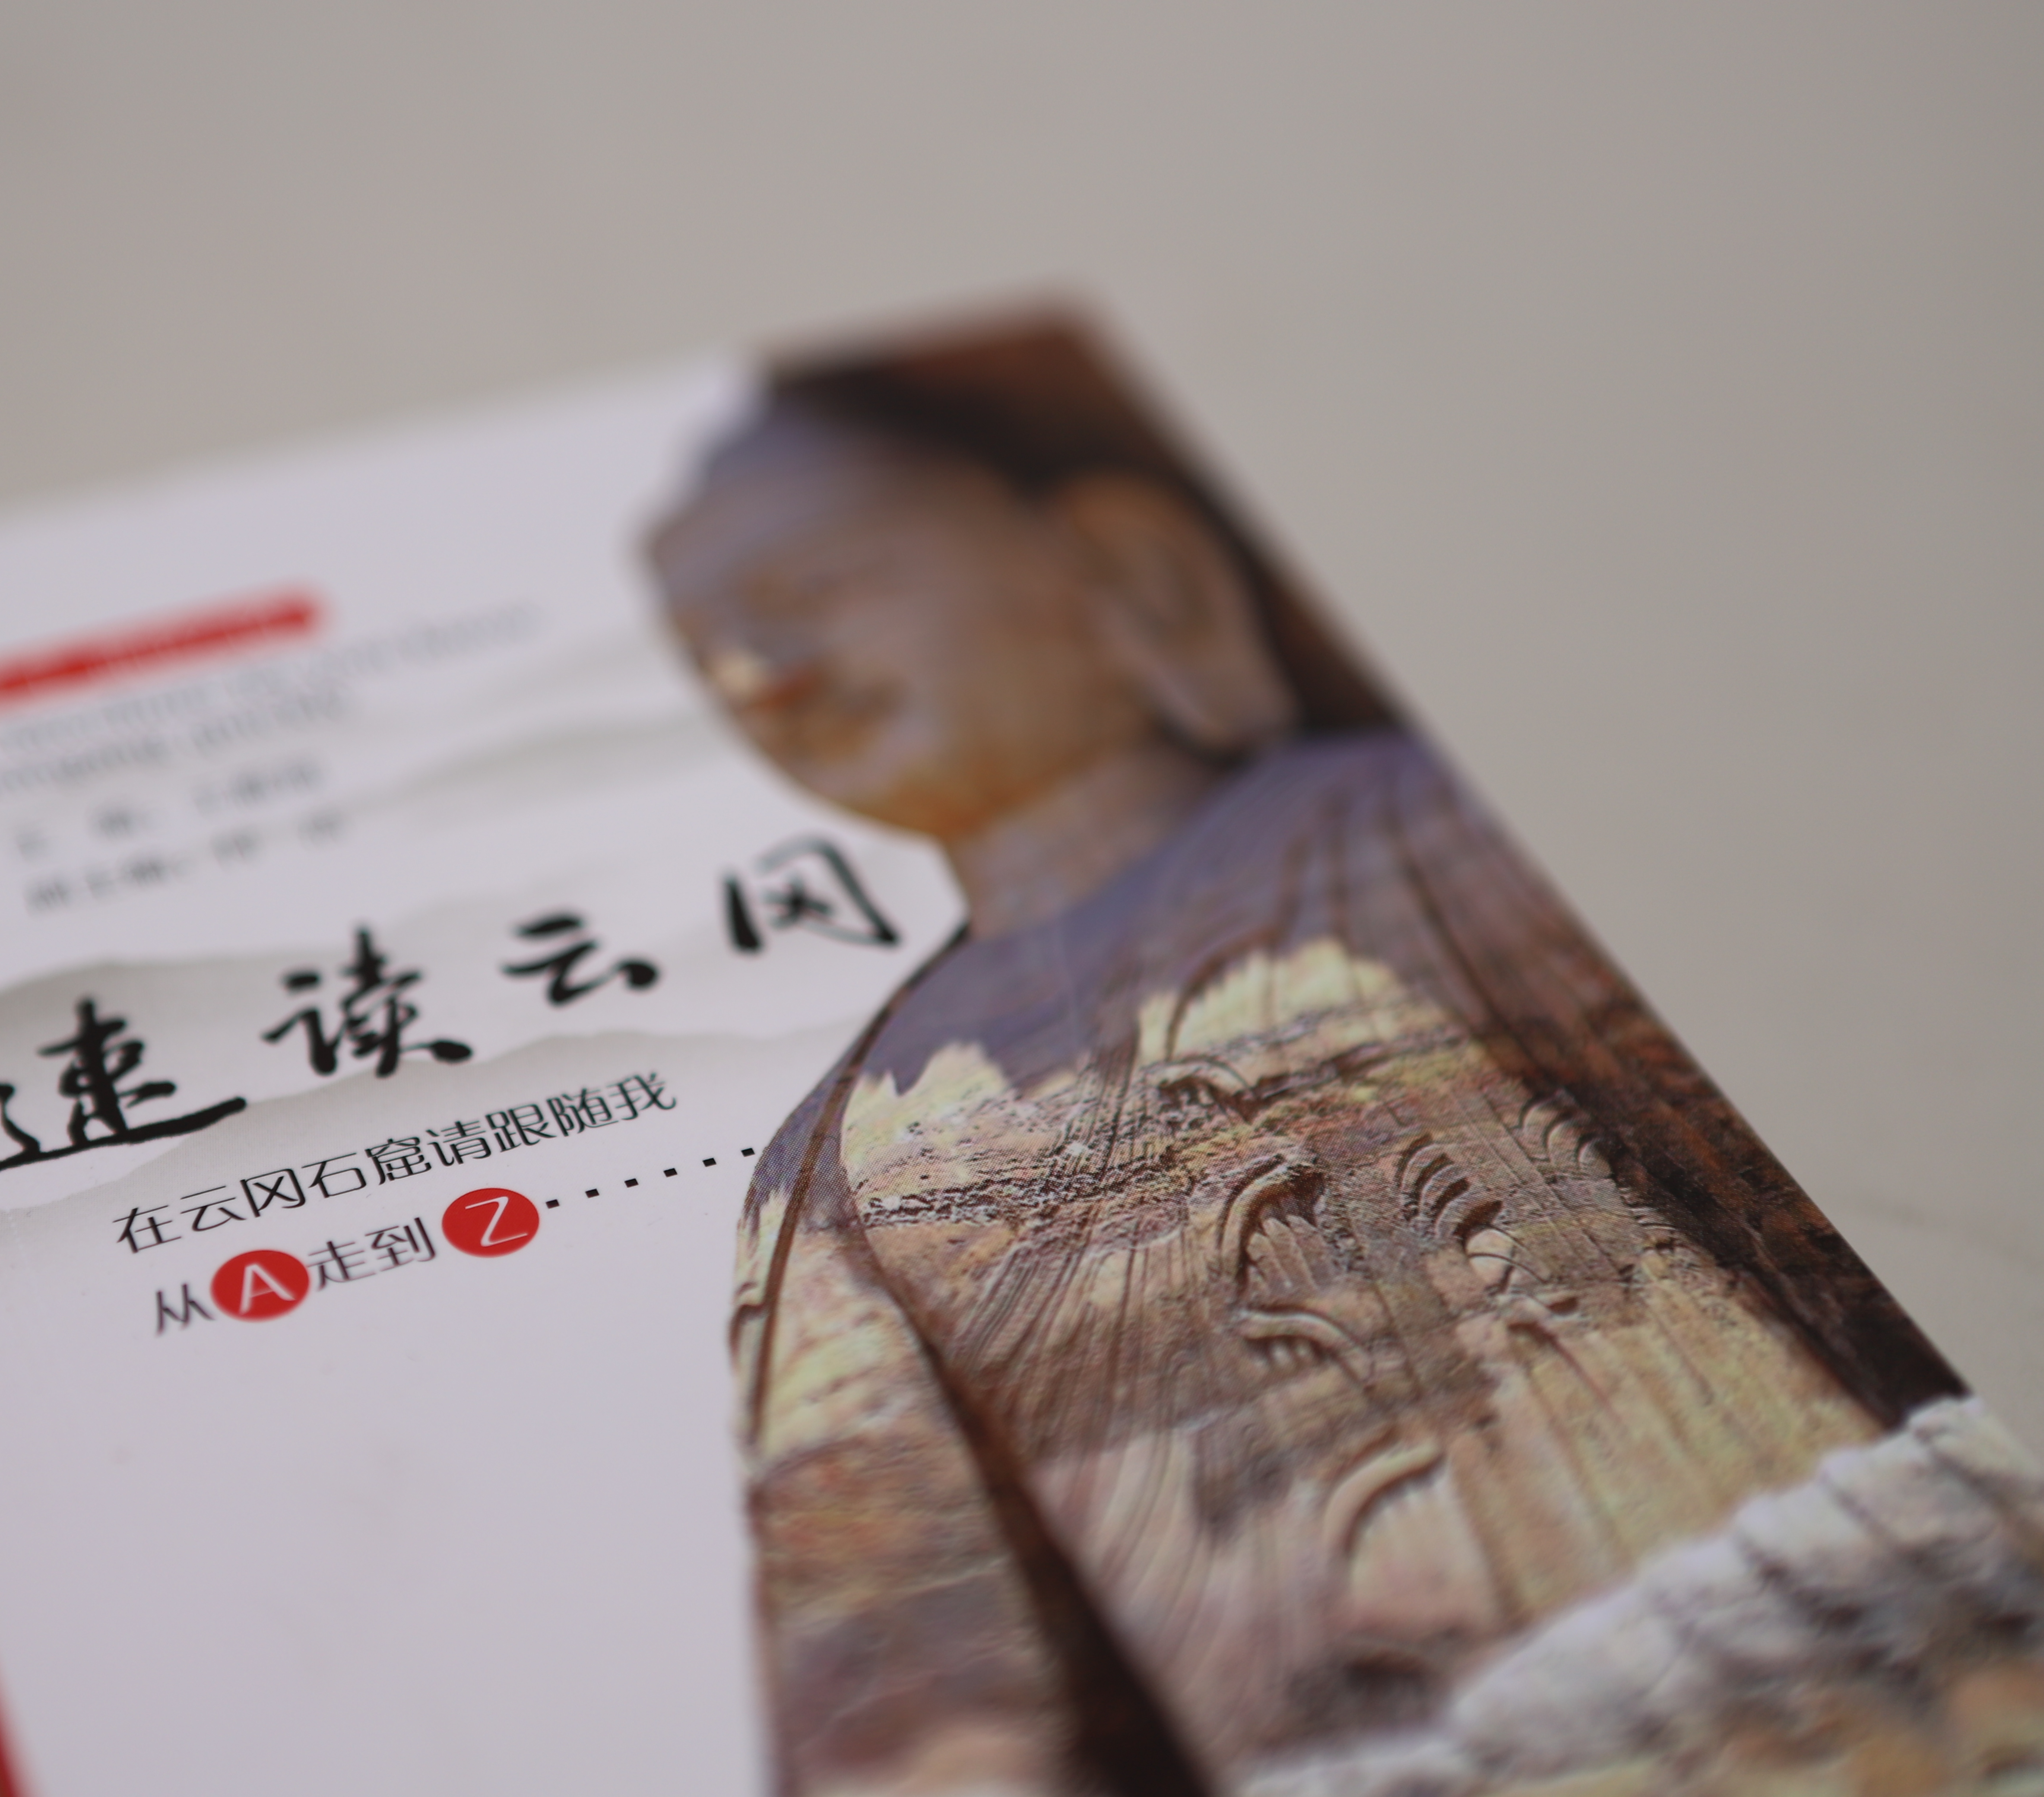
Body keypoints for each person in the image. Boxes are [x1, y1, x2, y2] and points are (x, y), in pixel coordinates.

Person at [647, 325, 2044, 1797]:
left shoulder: (1428, 832)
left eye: (814, 590)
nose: (761, 674)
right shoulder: (828, 1164)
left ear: (1121, 562)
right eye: (707, 649)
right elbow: (900, 1652)